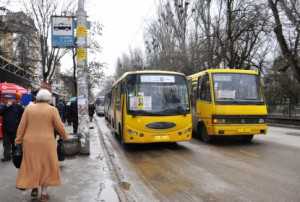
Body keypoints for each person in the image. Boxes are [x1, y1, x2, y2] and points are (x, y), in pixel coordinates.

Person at [15, 89, 68, 201]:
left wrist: (18, 141)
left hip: (30, 143)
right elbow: (59, 126)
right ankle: (44, 193)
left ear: (37, 98)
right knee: (46, 166)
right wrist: (65, 136)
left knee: (33, 165)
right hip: (47, 143)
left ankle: (34, 187)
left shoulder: (29, 109)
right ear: (48, 98)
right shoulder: (52, 110)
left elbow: (21, 126)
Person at [0, 94, 24, 162]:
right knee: (6, 143)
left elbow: (24, 114)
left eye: (10, 99)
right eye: (7, 99)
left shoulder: (18, 107)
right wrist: (6, 106)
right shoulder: (4, 106)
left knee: (14, 143)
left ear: (14, 100)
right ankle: (7, 157)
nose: (9, 100)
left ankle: (14, 155)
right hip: (6, 129)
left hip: (15, 128)